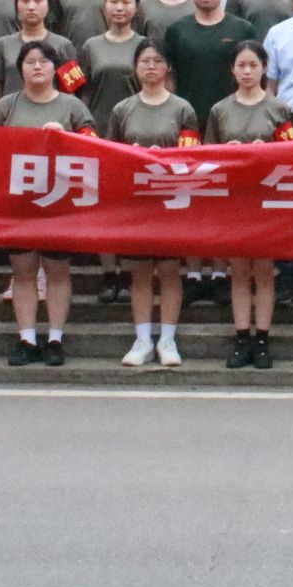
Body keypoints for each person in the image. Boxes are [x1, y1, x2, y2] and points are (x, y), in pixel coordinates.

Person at [0, 40, 95, 366]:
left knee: (57, 270)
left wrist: (66, 136)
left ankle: (55, 338)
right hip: (19, 200)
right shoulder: (6, 106)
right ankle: (27, 338)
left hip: (59, 200)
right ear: (20, 68)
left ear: (55, 69)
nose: (37, 67)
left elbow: (93, 145)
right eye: (30, 61)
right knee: (22, 271)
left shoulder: (72, 105)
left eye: (44, 61)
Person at [108, 40, 203, 368]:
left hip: (172, 198)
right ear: (135, 67)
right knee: (140, 271)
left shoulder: (182, 108)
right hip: (137, 201)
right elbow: (110, 156)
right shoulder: (122, 109)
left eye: (158, 61)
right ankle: (142, 338)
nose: (151, 66)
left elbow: (191, 155)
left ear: (167, 68)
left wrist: (165, 158)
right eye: (145, 61)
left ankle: (167, 338)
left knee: (170, 270)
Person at [204, 42, 293, 369]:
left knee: (265, 271)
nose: (246, 72)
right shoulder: (220, 110)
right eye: (241, 66)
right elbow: (206, 157)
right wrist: (226, 152)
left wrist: (268, 151)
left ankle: (262, 338)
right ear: (232, 69)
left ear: (264, 69)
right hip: (235, 198)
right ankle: (242, 336)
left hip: (267, 197)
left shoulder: (279, 108)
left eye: (253, 66)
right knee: (240, 270)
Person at [161, 0, 253, 128]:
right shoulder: (177, 30)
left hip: (233, 119)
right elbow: (169, 77)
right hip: (188, 119)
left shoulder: (242, 29)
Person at [0, 0, 78, 105]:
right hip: (11, 114)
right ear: (16, 6)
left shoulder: (63, 45)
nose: (31, 7)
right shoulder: (2, 45)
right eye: (25, 1)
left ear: (48, 6)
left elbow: (71, 91)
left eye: (38, 1)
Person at [80, 0, 144, 135]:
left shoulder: (144, 46)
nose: (119, 8)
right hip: (98, 125)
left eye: (126, 2)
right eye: (113, 2)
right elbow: (83, 92)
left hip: (135, 126)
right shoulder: (91, 46)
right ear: (105, 6)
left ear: (136, 8)